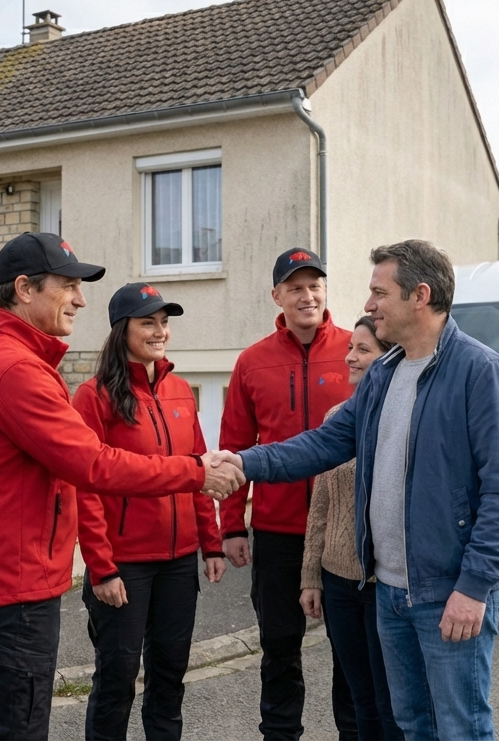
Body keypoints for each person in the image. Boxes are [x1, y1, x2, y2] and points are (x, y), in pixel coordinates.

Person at [215, 239, 499, 741]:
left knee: (461, 727)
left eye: (379, 292)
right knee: (410, 726)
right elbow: (325, 444)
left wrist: (474, 588)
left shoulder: (481, 373)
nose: (368, 305)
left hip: (448, 591)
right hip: (389, 592)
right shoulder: (384, 376)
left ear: (420, 296)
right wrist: (243, 461)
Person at [0, 232, 244, 741]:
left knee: (1, 722)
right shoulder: (16, 369)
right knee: (18, 726)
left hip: (7, 575)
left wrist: (206, 530)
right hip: (13, 581)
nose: (81, 298)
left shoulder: (2, 356)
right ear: (24, 289)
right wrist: (196, 471)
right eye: (68, 285)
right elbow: (94, 466)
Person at [71, 283, 227, 740]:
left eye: (164, 323)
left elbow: (199, 470)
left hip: (179, 564)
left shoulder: (180, 390)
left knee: (169, 678)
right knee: (117, 682)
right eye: (148, 323)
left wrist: (211, 543)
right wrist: (102, 569)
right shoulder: (94, 396)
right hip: (125, 566)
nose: (160, 332)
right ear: (123, 331)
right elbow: (87, 487)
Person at [218, 247, 357, 740]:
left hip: (344, 532)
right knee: (279, 645)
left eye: (315, 285)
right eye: (295, 287)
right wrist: (231, 525)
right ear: (277, 295)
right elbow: (235, 445)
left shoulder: (356, 352)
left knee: (351, 650)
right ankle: (280, 734)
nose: (308, 295)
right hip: (277, 533)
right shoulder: (252, 362)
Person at [299, 316, 402, 741]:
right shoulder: (337, 417)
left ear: (388, 357)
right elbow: (321, 503)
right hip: (339, 581)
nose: (350, 357)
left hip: (387, 584)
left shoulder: (404, 419)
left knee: (390, 703)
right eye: (351, 348)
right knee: (358, 701)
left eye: (364, 350)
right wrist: (310, 576)